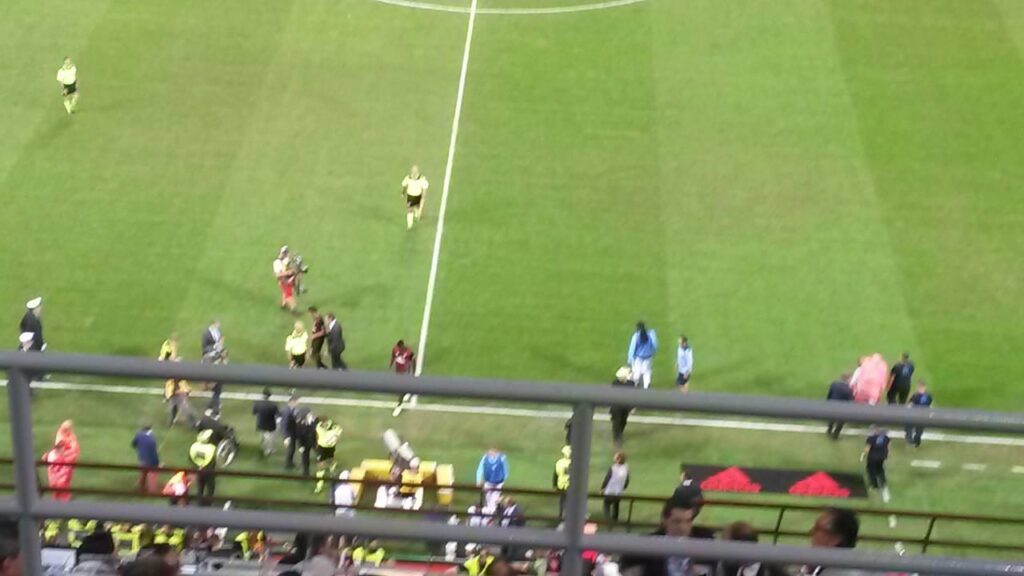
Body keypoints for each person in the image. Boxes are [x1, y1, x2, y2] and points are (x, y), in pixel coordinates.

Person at [619, 491, 705, 576]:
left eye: (688, 521)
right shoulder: (646, 546)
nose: (683, 528)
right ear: (664, 520)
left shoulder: (705, 543)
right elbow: (625, 566)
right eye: (677, 521)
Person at [800, 508, 861, 575]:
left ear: (834, 539)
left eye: (817, 529)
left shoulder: (838, 572)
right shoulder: (816, 564)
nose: (811, 532)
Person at [44, 420, 80, 501]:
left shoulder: (70, 435)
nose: (69, 430)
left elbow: (74, 448)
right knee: (60, 483)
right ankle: (63, 498)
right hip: (61, 467)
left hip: (64, 464)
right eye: (67, 429)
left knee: (63, 481)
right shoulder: (61, 437)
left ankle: (63, 497)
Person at [189, 429, 217, 506]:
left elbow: (191, 458)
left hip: (198, 470)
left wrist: (197, 466)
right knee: (210, 488)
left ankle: (199, 502)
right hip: (208, 471)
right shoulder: (211, 448)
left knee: (200, 487)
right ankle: (209, 504)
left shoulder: (194, 446)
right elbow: (213, 461)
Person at [862, 427, 890, 503]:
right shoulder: (886, 438)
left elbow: (868, 448)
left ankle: (874, 485)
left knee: (871, 471)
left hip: (872, 458)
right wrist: (886, 455)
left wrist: (863, 454)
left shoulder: (871, 438)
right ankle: (883, 483)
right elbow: (888, 448)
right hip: (881, 458)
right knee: (880, 470)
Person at [314, 418, 343, 493]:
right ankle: (319, 484)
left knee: (331, 460)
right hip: (321, 448)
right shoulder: (318, 427)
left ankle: (332, 470)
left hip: (330, 447)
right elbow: (316, 435)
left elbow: (339, 431)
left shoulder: (334, 427)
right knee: (320, 465)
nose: (322, 425)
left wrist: (335, 439)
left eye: (324, 423)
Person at [476, 447, 509, 512]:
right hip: (488, 481)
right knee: (488, 497)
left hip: (498, 482)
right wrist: (478, 479)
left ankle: (490, 512)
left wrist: (504, 477)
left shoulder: (502, 458)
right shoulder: (485, 458)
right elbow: (480, 469)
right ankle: (490, 511)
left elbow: (506, 468)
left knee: (495, 497)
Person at [627, 321, 658, 390]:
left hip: (638, 357)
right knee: (647, 371)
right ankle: (646, 385)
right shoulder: (651, 334)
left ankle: (636, 384)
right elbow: (655, 345)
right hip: (648, 356)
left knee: (637, 371)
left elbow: (632, 348)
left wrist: (630, 358)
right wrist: (653, 352)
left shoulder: (636, 336)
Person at [131, 424, 161, 494]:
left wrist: (140, 450)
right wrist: (157, 463)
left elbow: (133, 445)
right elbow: (154, 454)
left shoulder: (138, 435)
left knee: (143, 474)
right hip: (151, 462)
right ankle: (152, 491)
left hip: (141, 459)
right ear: (150, 431)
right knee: (152, 476)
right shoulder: (152, 440)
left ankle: (141, 488)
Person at [600, 452, 629, 522]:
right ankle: (615, 521)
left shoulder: (613, 468)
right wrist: (623, 488)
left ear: (617, 459)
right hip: (618, 492)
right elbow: (627, 480)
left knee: (606, 505)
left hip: (610, 491)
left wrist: (602, 488)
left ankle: (608, 520)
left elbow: (607, 478)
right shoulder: (625, 468)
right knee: (616, 506)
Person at [390, 339, 416, 416]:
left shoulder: (409, 351)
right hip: (398, 373)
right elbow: (393, 356)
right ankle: (408, 392)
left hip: (405, 373)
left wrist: (413, 372)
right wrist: (391, 364)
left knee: (400, 390)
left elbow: (413, 360)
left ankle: (399, 406)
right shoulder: (395, 349)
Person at [610, 366, 634, 448]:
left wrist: (632, 408)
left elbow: (632, 396)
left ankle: (619, 434)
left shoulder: (631, 384)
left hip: (625, 407)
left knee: (623, 422)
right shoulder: (615, 383)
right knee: (616, 423)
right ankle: (617, 439)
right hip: (616, 407)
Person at [252, 388, 280, 457]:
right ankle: (268, 450)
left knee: (262, 437)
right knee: (270, 438)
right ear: (269, 396)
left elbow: (254, 413)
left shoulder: (256, 403)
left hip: (260, 424)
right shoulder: (273, 404)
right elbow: (277, 415)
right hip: (270, 425)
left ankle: (263, 448)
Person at [825, 374, 853, 440]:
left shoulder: (834, 384)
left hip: (832, 404)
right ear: (848, 379)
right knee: (841, 421)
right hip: (841, 408)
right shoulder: (848, 389)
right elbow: (849, 401)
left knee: (831, 418)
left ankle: (829, 430)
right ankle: (835, 435)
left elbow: (829, 394)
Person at [905, 381, 933, 447]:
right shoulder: (928, 396)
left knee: (910, 427)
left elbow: (910, 405)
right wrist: (930, 413)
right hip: (923, 415)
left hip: (916, 415)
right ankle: (916, 442)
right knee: (919, 430)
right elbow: (930, 406)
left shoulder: (915, 396)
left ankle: (911, 440)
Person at [402, 165, 429, 230]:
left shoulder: (422, 178)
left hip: (418, 196)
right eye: (413, 171)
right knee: (409, 209)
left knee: (417, 207)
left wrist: (423, 198)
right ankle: (409, 224)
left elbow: (424, 190)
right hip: (410, 196)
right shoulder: (407, 178)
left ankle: (417, 213)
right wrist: (403, 192)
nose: (414, 172)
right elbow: (404, 185)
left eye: (415, 171)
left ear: (417, 171)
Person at [281, 395, 303, 469]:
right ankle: (288, 464)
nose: (298, 403)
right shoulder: (287, 411)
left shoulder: (293, 409)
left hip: (294, 433)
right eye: (297, 402)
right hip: (289, 434)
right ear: (292, 402)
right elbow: (284, 424)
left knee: (292, 449)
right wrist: (286, 436)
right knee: (291, 449)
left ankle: (290, 463)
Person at [273, 246, 298, 311]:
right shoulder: (277, 262)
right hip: (283, 280)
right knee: (289, 295)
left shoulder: (285, 259)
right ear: (283, 253)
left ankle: (284, 304)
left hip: (287, 278)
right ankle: (293, 309)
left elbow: (287, 267)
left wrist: (292, 271)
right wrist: (288, 273)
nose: (287, 254)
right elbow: (277, 275)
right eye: (286, 253)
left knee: (286, 292)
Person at [552, 446, 571, 518]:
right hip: (570, 486)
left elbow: (555, 475)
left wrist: (554, 485)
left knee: (562, 502)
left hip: (561, 486)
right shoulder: (575, 463)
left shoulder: (559, 463)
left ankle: (561, 516)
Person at [296, 411, 317, 477]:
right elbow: (299, 436)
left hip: (314, 442)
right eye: (309, 416)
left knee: (321, 454)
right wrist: (300, 446)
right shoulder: (300, 424)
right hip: (305, 444)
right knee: (305, 458)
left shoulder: (314, 422)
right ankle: (306, 473)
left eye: (311, 415)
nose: (311, 417)